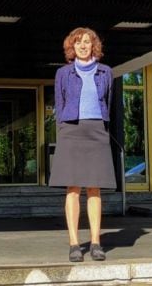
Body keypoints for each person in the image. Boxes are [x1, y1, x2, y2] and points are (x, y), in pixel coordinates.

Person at [48, 27, 116, 263]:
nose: (83, 46)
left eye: (87, 42)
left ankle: (96, 242)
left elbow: (108, 100)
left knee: (94, 188)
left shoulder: (106, 72)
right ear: (72, 47)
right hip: (71, 131)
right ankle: (74, 244)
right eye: (78, 43)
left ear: (93, 45)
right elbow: (60, 102)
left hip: (97, 130)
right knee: (73, 189)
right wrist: (64, 130)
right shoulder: (63, 73)